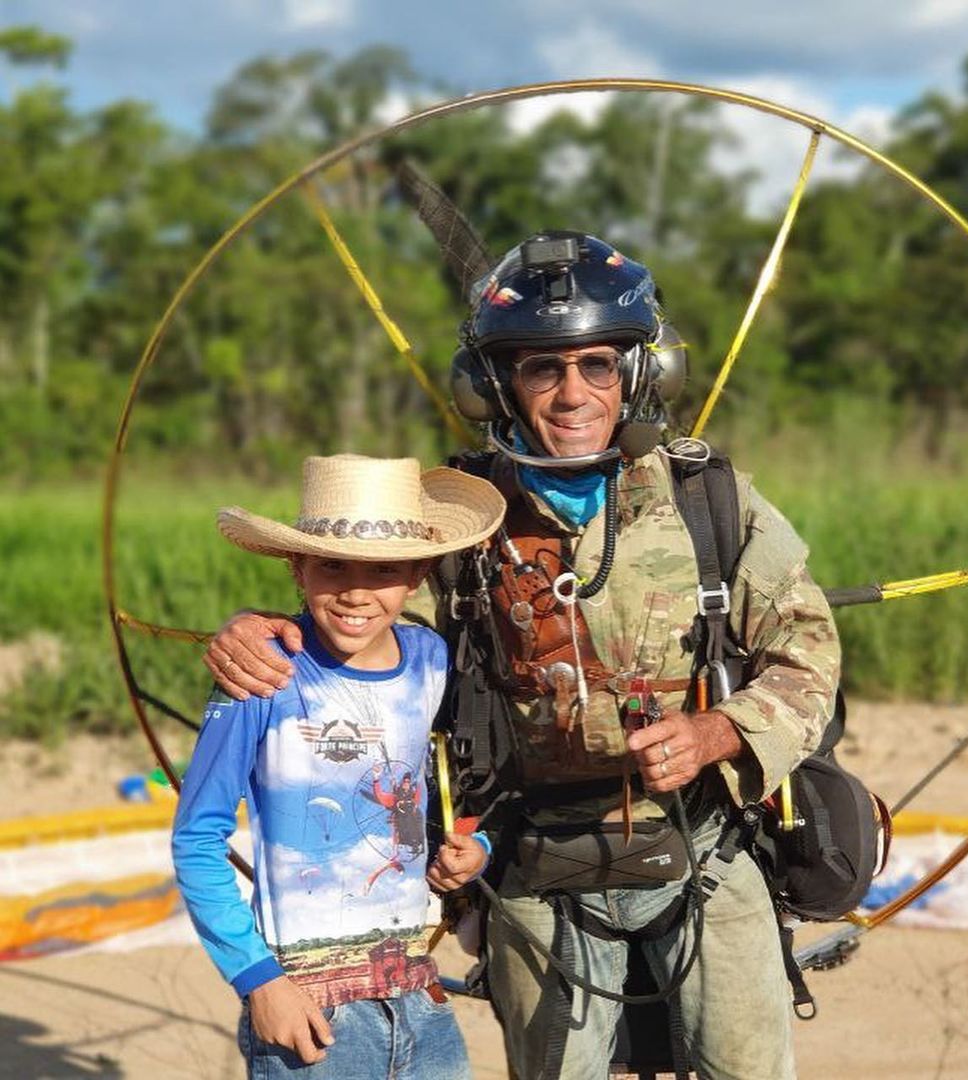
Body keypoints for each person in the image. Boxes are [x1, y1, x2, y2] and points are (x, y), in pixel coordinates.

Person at [205, 233, 841, 1079]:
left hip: (704, 848)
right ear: (497, 384)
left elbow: (809, 654)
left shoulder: (712, 500)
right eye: (543, 368)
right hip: (528, 862)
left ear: (642, 375)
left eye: (597, 366)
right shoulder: (458, 518)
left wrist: (719, 733)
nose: (573, 392)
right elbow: (357, 622)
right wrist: (257, 628)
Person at [172, 454, 505, 1079]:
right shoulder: (263, 674)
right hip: (307, 1006)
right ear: (297, 568)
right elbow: (196, 838)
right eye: (332, 566)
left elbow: (447, 785)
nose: (355, 591)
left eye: (382, 570)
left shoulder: (432, 660)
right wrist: (258, 980)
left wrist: (473, 844)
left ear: (418, 575)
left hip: (417, 991)